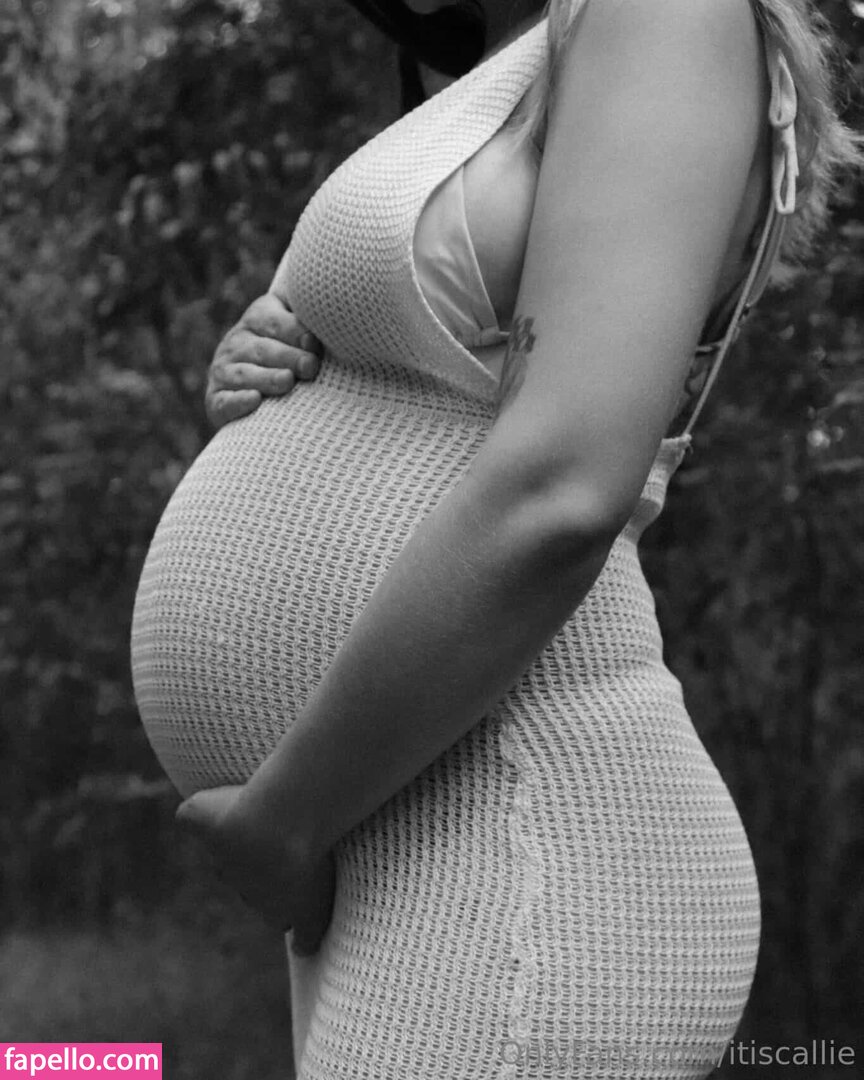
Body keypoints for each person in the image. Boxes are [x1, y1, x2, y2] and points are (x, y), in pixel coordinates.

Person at [130, 1, 862, 1077]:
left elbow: (564, 488)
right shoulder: (512, 55)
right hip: (395, 836)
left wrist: (285, 819)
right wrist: (283, 363)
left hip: (525, 839)